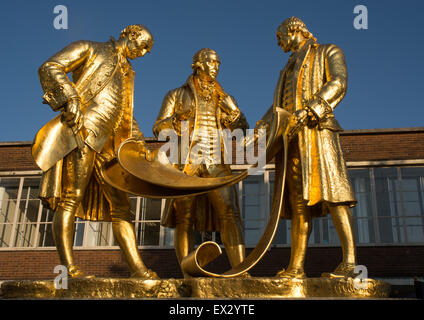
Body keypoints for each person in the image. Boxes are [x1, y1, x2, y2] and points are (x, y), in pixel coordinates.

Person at [33, 25, 158, 279]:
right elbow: (50, 66)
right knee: (71, 197)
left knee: (122, 208)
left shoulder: (127, 72)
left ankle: (138, 270)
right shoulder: (90, 48)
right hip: (84, 131)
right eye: (143, 45)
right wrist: (71, 99)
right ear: (130, 35)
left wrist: (139, 142)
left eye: (147, 50)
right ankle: (69, 269)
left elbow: (125, 114)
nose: (143, 53)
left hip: (113, 145)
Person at [259, 17, 358, 279]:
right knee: (298, 202)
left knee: (336, 195)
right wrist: (262, 125)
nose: (278, 41)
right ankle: (296, 268)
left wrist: (311, 110)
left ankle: (350, 264)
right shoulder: (285, 69)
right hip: (290, 141)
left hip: (318, 132)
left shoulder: (328, 51)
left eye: (280, 35)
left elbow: (338, 82)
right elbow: (279, 107)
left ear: (294, 30)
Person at [153, 48, 248, 274]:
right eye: (210, 62)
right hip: (187, 162)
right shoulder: (176, 94)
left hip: (216, 160)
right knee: (184, 217)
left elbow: (242, 129)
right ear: (197, 64)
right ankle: (187, 274)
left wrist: (234, 112)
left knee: (230, 212)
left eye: (218, 62)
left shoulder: (225, 97)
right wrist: (174, 122)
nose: (215, 66)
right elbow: (159, 127)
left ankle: (241, 272)